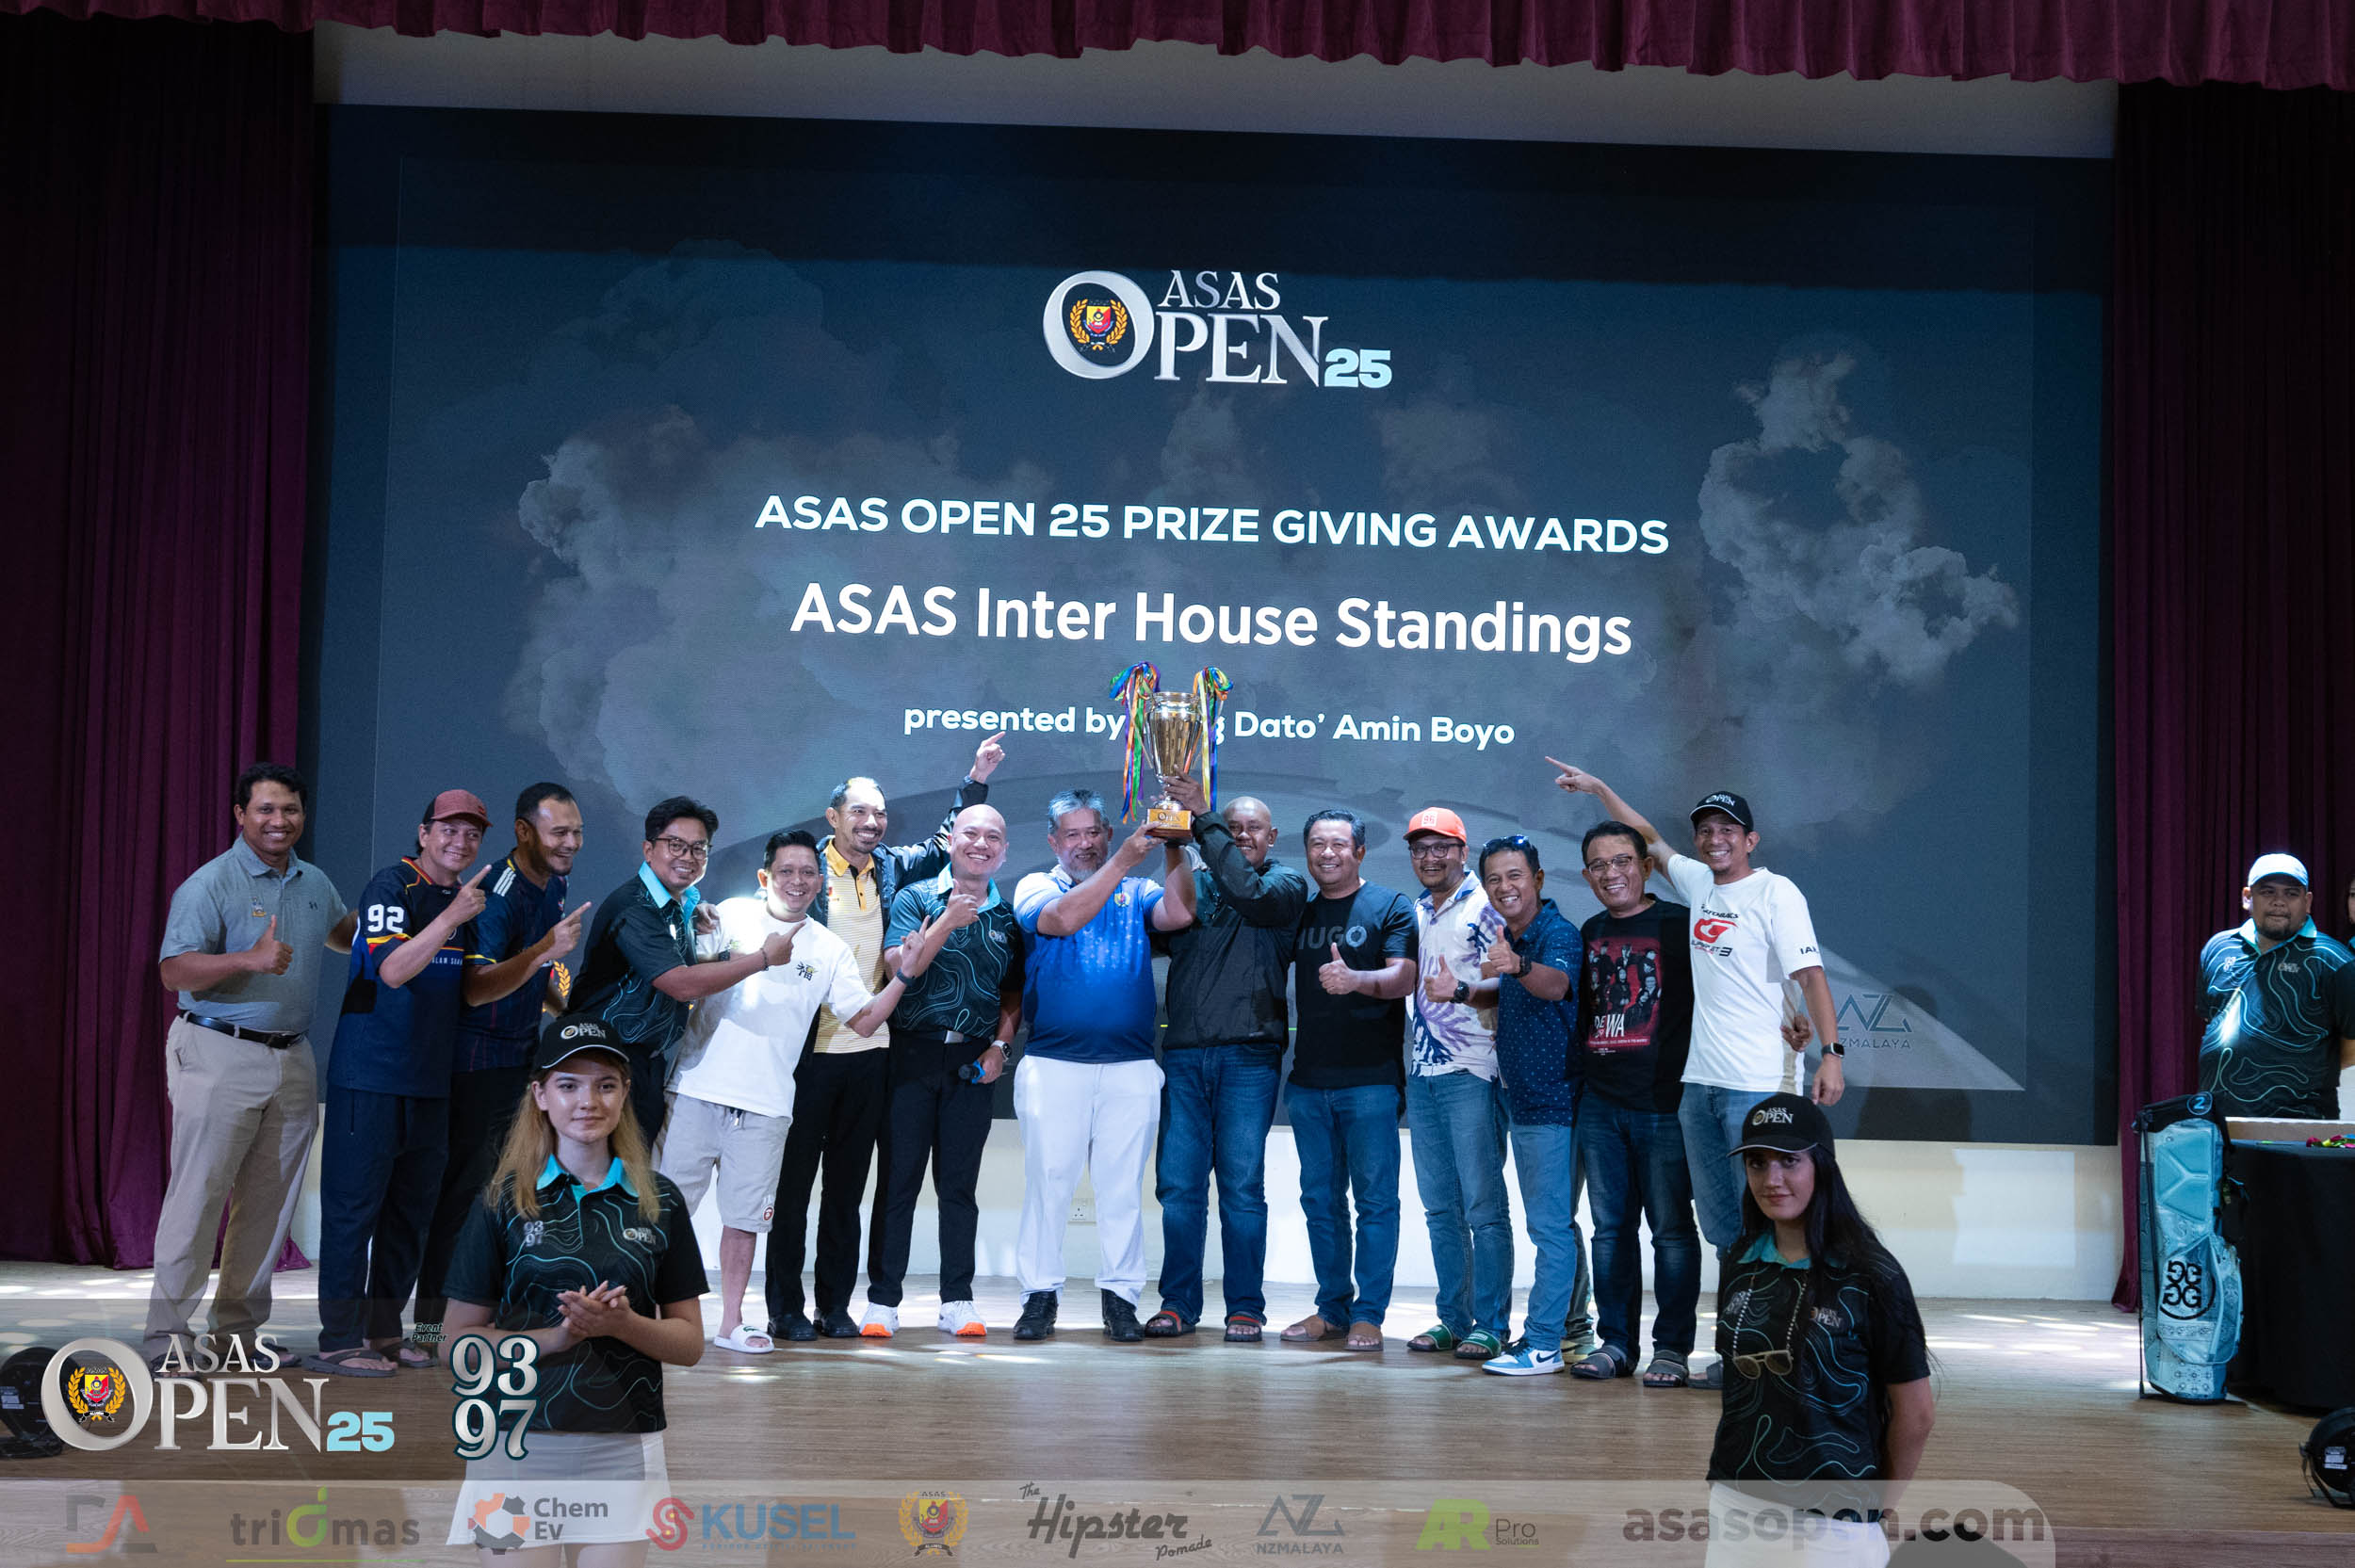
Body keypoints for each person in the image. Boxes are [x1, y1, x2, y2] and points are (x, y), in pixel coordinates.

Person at [310, 790, 584, 1378]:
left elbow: (479, 980)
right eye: (448, 830)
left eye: (472, 833)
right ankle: (338, 1339)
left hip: (432, 1076)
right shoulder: (395, 885)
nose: (460, 841)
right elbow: (391, 970)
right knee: (353, 1213)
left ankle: (385, 1333)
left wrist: (560, 995)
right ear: (424, 833)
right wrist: (453, 919)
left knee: (410, 1216)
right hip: (370, 1074)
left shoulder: (466, 897)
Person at [1546, 768, 1842, 1270]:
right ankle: (1737, 1319)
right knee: (1721, 1224)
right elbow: (1649, 838)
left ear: (1750, 840)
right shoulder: (1699, 882)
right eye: (1705, 830)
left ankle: (1782, 1313)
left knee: (1769, 1215)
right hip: (1698, 1087)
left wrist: (1831, 1055)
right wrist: (1600, 790)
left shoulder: (1777, 893)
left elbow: (1811, 977)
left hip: (1756, 1082)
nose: (1714, 839)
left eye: (1727, 830)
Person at [442, 1014, 707, 1562]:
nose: (588, 1101)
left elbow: (689, 1345)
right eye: (568, 1085)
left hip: (622, 1446)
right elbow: (453, 1343)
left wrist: (623, 1324)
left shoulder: (661, 1200)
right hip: (514, 1443)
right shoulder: (501, 1200)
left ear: (625, 1093)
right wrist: (555, 1338)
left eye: (605, 1085)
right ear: (540, 1095)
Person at [768, 738, 1003, 1343]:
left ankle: (834, 1307)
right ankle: (784, 1308)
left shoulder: (893, 869)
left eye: (879, 814)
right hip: (803, 1055)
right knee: (792, 1191)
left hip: (872, 1051)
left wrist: (976, 778)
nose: (871, 823)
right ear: (833, 817)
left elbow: (948, 838)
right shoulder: (804, 872)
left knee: (847, 1192)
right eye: (859, 812)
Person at [145, 763, 359, 1369]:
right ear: (240, 815)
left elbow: (345, 934)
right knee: (197, 1199)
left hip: (293, 1056)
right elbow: (173, 971)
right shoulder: (209, 884)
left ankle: (235, 1338)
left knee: (269, 1208)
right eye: (265, 809)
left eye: (290, 809)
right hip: (217, 1051)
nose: (278, 820)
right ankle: (166, 1340)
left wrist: (410, 928)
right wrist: (248, 959)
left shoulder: (314, 881)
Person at [660, 830, 903, 1351]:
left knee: (744, 1222)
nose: (797, 881)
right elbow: (691, 973)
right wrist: (704, 931)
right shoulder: (729, 915)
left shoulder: (830, 948)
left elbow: (864, 1021)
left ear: (821, 883)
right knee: (664, 1210)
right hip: (697, 1087)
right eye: (786, 871)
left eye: (808, 873)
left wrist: (907, 975)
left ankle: (730, 1323)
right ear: (764, 877)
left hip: (767, 1106)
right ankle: (646, 1315)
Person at [1704, 1093, 1934, 1568]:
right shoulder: (1739, 1263)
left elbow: (1916, 1414)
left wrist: (1877, 1506)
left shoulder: (1873, 1275)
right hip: (1736, 1503)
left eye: (1789, 1161)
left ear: (1822, 1165)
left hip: (1833, 1521)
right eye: (1757, 1163)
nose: (1771, 1179)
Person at [1011, 789, 1196, 1343]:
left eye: (1094, 832)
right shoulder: (1036, 885)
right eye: (1072, 834)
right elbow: (1061, 920)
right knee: (1049, 1186)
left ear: (1107, 834)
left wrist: (1173, 845)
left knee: (1121, 1192)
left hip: (1130, 1067)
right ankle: (1039, 1297)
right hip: (1053, 1063)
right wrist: (1124, 861)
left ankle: (1120, 1298)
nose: (1085, 843)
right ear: (1054, 841)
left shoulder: (1137, 891)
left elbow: (1180, 912)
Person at [414, 782, 589, 1361]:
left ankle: (494, 1314)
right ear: (523, 832)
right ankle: (429, 1330)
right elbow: (476, 988)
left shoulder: (555, 882)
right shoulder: (498, 892)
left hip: (522, 1061)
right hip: (477, 1066)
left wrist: (566, 1008)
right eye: (558, 832)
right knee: (461, 1199)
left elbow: (536, 973)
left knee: (512, 1196)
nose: (570, 843)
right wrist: (544, 952)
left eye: (577, 832)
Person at [1147, 774, 1307, 1342]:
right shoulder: (1195, 885)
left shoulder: (1285, 885)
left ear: (1272, 837)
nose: (1241, 835)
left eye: (1252, 828)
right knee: (1179, 1189)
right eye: (1232, 827)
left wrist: (1203, 818)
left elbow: (1248, 892)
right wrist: (1173, 842)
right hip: (1185, 1058)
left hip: (1249, 1058)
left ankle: (1244, 1307)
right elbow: (1160, 926)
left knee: (1241, 1189)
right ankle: (1177, 1303)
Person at [869, 805, 1026, 1337]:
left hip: (971, 1064)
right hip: (909, 1056)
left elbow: (1012, 993)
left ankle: (957, 1299)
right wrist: (946, 922)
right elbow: (898, 966)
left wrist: (1000, 1047)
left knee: (959, 1188)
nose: (981, 844)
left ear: (1004, 851)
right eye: (970, 834)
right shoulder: (915, 898)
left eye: (993, 837)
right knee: (898, 1183)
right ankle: (883, 1301)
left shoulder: (1008, 918)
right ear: (952, 841)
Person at [1280, 810, 1418, 1352]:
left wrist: (1355, 978)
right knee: (1321, 1202)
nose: (1327, 853)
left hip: (1371, 1082)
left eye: (1339, 844)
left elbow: (1404, 976)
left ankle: (1369, 1314)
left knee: (1376, 1203)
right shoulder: (1299, 910)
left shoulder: (1391, 905)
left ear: (1360, 851)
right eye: (1317, 844)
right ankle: (1332, 1309)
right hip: (1308, 1081)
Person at [572, 797, 784, 1148]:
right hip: (601, 1060)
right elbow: (680, 984)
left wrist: (722, 950)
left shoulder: (679, 903)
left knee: (632, 1170)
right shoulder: (635, 907)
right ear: (648, 849)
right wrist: (762, 958)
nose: (688, 856)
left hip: (642, 1061)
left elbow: (679, 964)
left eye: (698, 848)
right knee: (597, 1167)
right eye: (675, 845)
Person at [1572, 819, 1703, 1387]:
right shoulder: (1590, 930)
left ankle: (1671, 1349)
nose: (1611, 873)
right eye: (1599, 865)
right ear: (1587, 875)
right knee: (1609, 1232)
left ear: (1646, 867)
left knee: (1671, 1232)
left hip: (1665, 1103)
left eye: (1622, 861)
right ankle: (1616, 1344)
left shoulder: (1679, 923)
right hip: (1601, 1105)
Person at [1462, 837, 1588, 1377]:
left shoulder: (1556, 933)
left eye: (1514, 875)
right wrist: (1461, 992)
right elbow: (1511, 990)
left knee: (1549, 1228)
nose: (1504, 887)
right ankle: (1570, 1331)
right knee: (1557, 1225)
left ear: (1537, 878)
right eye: (1493, 879)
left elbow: (1555, 985)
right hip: (1527, 1101)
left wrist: (1515, 966)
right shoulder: (1513, 935)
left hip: (1551, 1102)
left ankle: (1541, 1345)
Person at [1400, 805, 1515, 1362]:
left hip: (1473, 1070)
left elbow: (1510, 982)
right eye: (1420, 848)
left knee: (1483, 1208)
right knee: (1440, 1209)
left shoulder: (1486, 906)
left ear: (1462, 852)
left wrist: (1463, 992)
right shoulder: (1416, 910)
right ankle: (1454, 1318)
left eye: (1441, 846)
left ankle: (1491, 1324)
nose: (1430, 857)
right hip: (1423, 1074)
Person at [2197, 852, 2355, 1119]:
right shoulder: (2217, 948)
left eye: (2291, 893)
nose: (2279, 901)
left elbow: (2352, 1045)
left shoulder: (2334, 960)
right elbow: (2211, 1019)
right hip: (2219, 1121)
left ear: (2307, 902)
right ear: (2247, 897)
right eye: (2267, 891)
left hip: (2300, 1124)